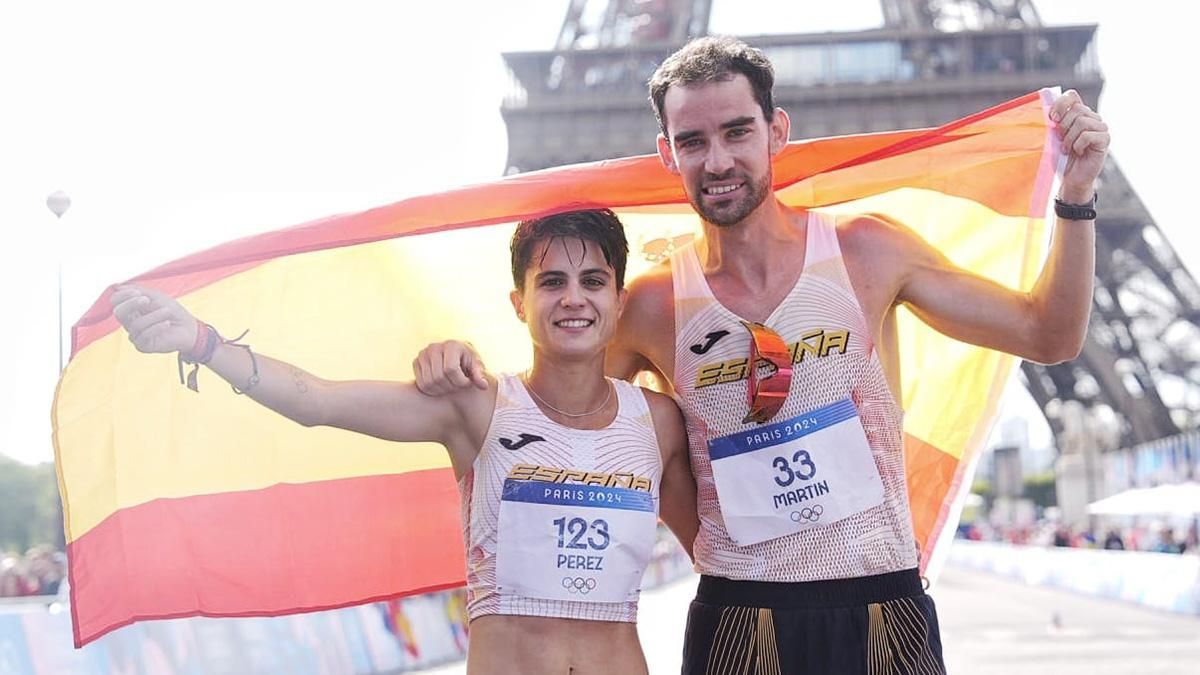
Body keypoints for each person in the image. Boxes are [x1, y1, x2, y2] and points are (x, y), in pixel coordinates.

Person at [414, 36, 1109, 674]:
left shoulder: (867, 252)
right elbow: (553, 417)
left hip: (881, 606)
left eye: (737, 132)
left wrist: (1075, 198)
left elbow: (1049, 335)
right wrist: (462, 368)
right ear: (668, 153)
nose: (717, 160)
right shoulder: (651, 306)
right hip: (739, 620)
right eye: (693, 141)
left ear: (777, 131)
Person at [111, 209, 698, 675]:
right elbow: (318, 401)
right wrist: (204, 344)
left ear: (619, 302)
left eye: (593, 281)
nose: (573, 298)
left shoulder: (657, 423)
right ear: (519, 304)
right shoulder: (478, 407)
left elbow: (718, 549)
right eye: (551, 282)